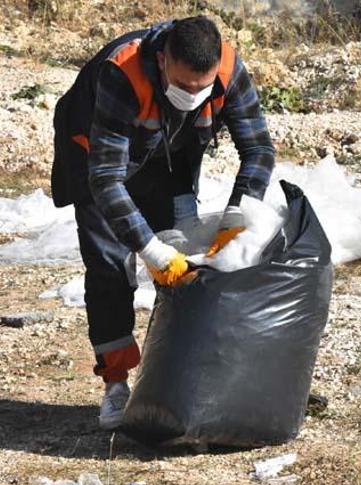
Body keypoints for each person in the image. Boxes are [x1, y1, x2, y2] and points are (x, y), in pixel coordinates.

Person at [51, 16, 275, 429]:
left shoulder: (229, 70)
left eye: (201, 88)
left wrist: (236, 216)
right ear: (163, 60)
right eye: (184, 86)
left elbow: (258, 149)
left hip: (171, 155)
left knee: (187, 264)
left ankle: (177, 380)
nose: (193, 95)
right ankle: (115, 385)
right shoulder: (124, 72)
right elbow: (106, 179)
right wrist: (149, 250)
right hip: (95, 153)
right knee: (110, 267)